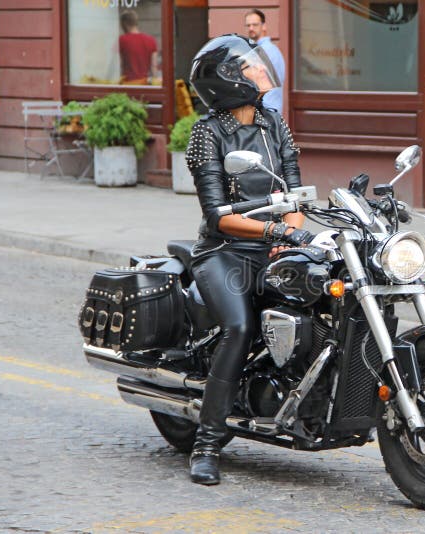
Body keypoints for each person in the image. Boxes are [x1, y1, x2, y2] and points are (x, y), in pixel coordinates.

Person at [185, 34, 314, 485]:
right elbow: (219, 217)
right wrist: (276, 230)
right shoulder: (207, 132)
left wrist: (292, 232)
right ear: (229, 81)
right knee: (239, 327)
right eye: (250, 66)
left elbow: (294, 192)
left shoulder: (274, 123)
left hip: (274, 248)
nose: (261, 71)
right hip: (224, 254)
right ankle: (206, 444)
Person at [244, 9, 285, 114]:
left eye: (255, 25)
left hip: (266, 111)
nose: (251, 28)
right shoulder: (259, 50)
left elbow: (263, 85)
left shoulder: (266, 51)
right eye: (248, 25)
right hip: (268, 111)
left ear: (264, 26)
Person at [118, 10, 158, 85]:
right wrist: (155, 84)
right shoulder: (151, 40)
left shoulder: (121, 40)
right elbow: (154, 66)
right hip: (144, 83)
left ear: (124, 23)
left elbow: (118, 64)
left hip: (128, 84)